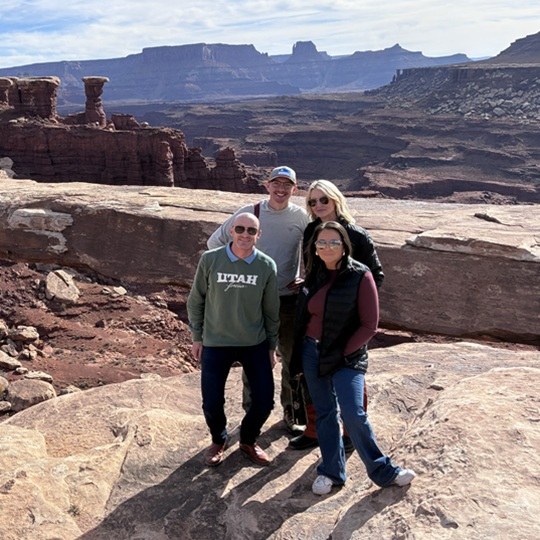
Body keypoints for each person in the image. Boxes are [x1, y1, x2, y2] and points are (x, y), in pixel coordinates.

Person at [290, 221, 416, 495]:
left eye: (334, 242)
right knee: (324, 412)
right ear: (315, 247)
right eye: (321, 242)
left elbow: (369, 325)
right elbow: (305, 315)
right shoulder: (315, 273)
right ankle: (331, 472)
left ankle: (385, 470)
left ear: (345, 245)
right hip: (313, 352)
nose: (327, 247)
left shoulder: (361, 275)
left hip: (348, 356)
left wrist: (343, 352)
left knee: (353, 412)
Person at [207, 165, 310, 433]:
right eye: (276, 183)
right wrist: (236, 271)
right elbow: (214, 243)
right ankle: (251, 415)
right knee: (253, 357)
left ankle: (291, 411)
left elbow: (315, 249)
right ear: (267, 185)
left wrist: (307, 277)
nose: (281, 189)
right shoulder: (249, 214)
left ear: (294, 189)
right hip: (251, 299)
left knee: (290, 357)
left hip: (286, 299)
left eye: (287, 185)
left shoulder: (300, 217)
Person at [289, 179, 384, 450]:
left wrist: (355, 304)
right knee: (313, 372)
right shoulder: (311, 231)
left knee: (350, 368)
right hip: (316, 316)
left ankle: (351, 432)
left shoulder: (356, 235)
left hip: (346, 318)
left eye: (323, 200)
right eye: (312, 201)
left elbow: (375, 275)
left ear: (335, 200)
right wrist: (305, 284)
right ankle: (315, 428)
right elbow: (315, 270)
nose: (318, 205)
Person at [187, 212, 280, 467]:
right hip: (217, 342)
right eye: (240, 229)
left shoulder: (266, 265)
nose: (245, 235)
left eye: (252, 231)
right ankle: (219, 439)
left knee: (264, 401)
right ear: (231, 231)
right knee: (212, 401)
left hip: (254, 343)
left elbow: (271, 311)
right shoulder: (210, 260)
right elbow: (196, 301)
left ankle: (248, 441)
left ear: (258, 235)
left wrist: (272, 346)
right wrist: (197, 337)